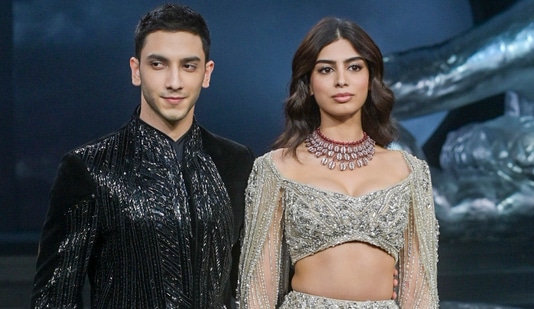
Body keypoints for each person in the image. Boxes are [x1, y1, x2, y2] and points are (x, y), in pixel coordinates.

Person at [31, 3, 254, 308]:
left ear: (206, 73)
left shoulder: (235, 162)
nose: (174, 82)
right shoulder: (89, 168)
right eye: (158, 64)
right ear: (136, 70)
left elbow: (250, 284)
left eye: (188, 66)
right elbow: (55, 298)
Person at [238, 17, 439, 308]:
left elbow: (421, 289)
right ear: (308, 82)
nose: (341, 80)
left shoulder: (409, 171)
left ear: (371, 78)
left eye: (354, 67)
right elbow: (258, 285)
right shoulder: (276, 168)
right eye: (326, 69)